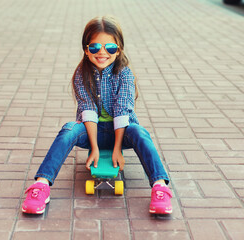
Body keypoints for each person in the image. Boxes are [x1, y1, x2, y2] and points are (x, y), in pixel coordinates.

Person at [22, 16, 173, 215]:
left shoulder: (125, 74)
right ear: (86, 49)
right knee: (68, 129)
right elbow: (88, 110)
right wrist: (93, 147)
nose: (102, 52)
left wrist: (117, 149)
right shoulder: (81, 74)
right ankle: (41, 185)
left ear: (118, 49)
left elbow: (122, 111)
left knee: (140, 132)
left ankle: (160, 187)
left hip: (122, 132)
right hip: (90, 131)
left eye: (110, 48)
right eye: (94, 48)